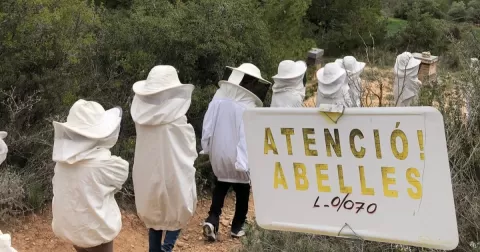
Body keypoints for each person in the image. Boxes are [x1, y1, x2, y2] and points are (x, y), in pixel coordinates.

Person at [131, 65, 198, 252]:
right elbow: (189, 148)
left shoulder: (141, 118)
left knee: (154, 216)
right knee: (177, 210)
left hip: (147, 174)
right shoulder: (177, 121)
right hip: (173, 175)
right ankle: (166, 248)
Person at [201, 63, 271, 241]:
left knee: (220, 185)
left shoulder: (217, 99)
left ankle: (212, 219)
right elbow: (246, 136)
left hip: (218, 153)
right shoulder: (248, 107)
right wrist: (243, 161)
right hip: (237, 156)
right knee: (242, 192)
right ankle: (237, 226)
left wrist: (206, 147)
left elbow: (207, 126)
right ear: (249, 83)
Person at [51, 99, 129, 252]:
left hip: (72, 231)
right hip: (98, 234)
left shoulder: (61, 163)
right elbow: (121, 176)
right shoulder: (108, 165)